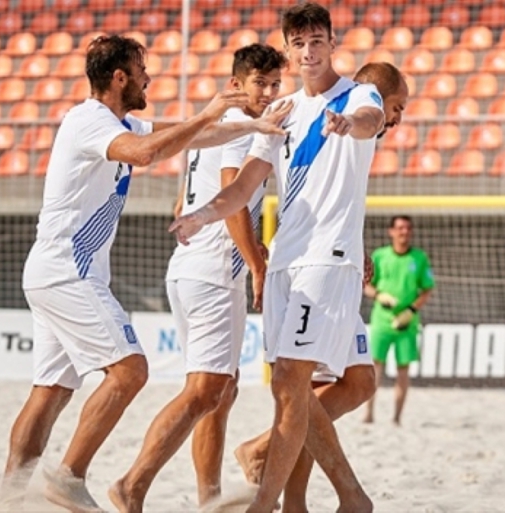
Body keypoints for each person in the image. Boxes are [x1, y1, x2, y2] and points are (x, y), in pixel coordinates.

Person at [0, 35, 289, 512]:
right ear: (120, 77)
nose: (148, 78)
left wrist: (240, 122)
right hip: (70, 271)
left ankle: (6, 500)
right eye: (142, 70)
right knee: (131, 371)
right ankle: (71, 476)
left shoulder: (120, 120)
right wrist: (208, 113)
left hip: (55, 270)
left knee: (50, 390)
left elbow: (192, 137)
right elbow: (143, 153)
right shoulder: (91, 120)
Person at [170, 3, 391, 510]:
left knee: (295, 382)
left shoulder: (358, 94)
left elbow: (371, 120)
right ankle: (345, 499)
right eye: (299, 44)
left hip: (327, 260)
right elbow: (244, 186)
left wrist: (348, 122)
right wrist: (202, 216)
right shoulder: (281, 112)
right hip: (284, 265)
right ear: (289, 52)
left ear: (332, 44)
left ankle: (263, 504)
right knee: (291, 391)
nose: (309, 51)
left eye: (317, 40)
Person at [108, 44, 288, 513]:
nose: (268, 94)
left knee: (220, 392)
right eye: (259, 84)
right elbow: (233, 196)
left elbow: (181, 204)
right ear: (236, 84)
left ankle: (208, 498)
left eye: (274, 85)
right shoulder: (236, 129)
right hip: (210, 273)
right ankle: (133, 484)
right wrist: (256, 262)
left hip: (193, 269)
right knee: (205, 390)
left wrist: (249, 248)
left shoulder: (222, 127)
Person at [233, 61, 409, 513]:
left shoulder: (350, 120)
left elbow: (334, 196)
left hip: (335, 262)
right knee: (299, 385)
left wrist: (357, 247)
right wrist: (253, 256)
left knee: (359, 381)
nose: (398, 119)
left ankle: (265, 454)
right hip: (309, 267)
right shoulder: (341, 109)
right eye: (397, 107)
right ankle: (329, 497)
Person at [363, 215, 435, 425]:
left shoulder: (419, 258)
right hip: (382, 320)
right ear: (391, 231)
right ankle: (369, 413)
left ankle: (397, 417)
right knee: (375, 367)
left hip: (407, 323)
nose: (404, 232)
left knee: (403, 369)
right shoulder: (380, 256)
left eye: (408, 228)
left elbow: (427, 289)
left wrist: (411, 310)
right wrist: (378, 295)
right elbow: (366, 285)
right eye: (400, 228)